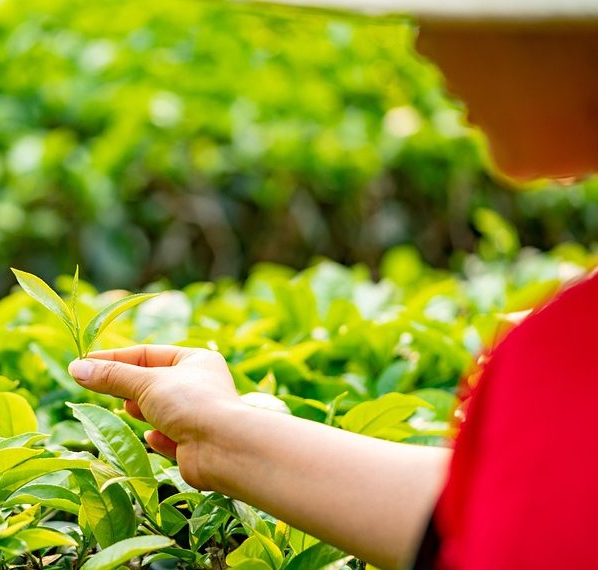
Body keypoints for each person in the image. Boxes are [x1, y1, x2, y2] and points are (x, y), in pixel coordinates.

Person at [68, 3, 598, 569]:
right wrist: (219, 436)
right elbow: (510, 516)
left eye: (452, 13)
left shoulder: (570, 352)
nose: (423, 44)